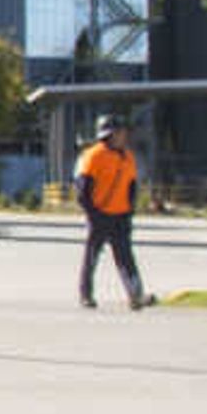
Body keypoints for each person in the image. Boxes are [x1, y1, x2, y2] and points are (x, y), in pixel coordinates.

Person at [77, 115, 154, 308]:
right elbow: (83, 189)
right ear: (108, 134)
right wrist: (92, 213)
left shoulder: (128, 157)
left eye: (124, 132)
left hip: (121, 216)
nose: (123, 136)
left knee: (126, 258)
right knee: (92, 257)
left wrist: (130, 210)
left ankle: (136, 295)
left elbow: (131, 186)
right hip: (99, 215)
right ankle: (86, 295)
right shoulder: (94, 155)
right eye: (119, 132)